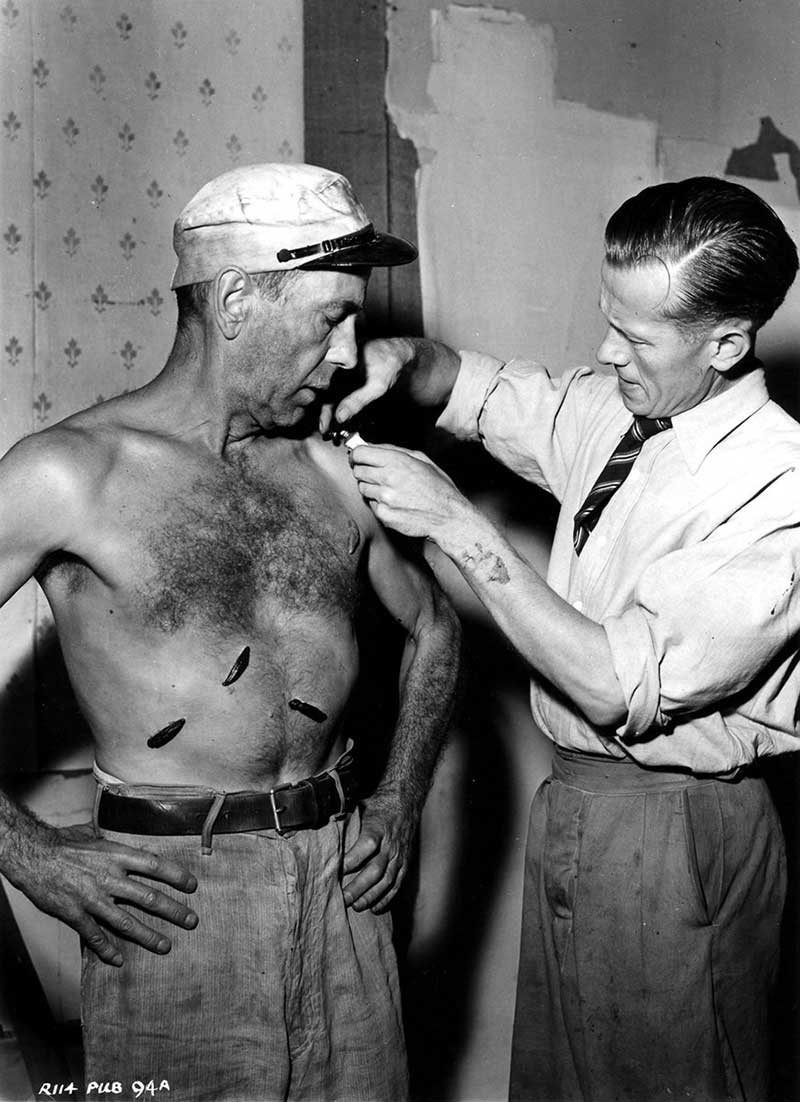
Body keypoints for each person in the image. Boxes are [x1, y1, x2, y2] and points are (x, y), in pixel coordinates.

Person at [331, 176, 800, 1101]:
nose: (603, 351)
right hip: (578, 806)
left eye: (634, 337)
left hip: (677, 827)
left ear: (728, 343)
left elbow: (609, 683)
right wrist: (399, 358)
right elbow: (471, 385)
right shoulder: (623, 409)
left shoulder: (774, 488)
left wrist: (457, 527)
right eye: (606, 319)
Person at [0, 162, 460, 1101]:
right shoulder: (70, 474)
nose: (347, 353)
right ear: (239, 300)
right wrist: (27, 852)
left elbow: (437, 629)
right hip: (174, 908)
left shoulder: (332, 471)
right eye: (331, 317)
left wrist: (400, 797)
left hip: (344, 889)